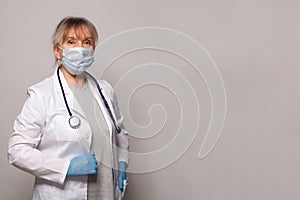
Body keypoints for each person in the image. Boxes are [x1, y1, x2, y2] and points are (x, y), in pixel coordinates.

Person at [7, 16, 129, 200]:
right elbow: (17, 151)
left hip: (106, 192)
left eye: (86, 42)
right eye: (71, 42)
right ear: (58, 51)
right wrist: (65, 167)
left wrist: (122, 163)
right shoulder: (42, 94)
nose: (80, 49)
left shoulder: (105, 90)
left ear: (93, 49)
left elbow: (120, 132)